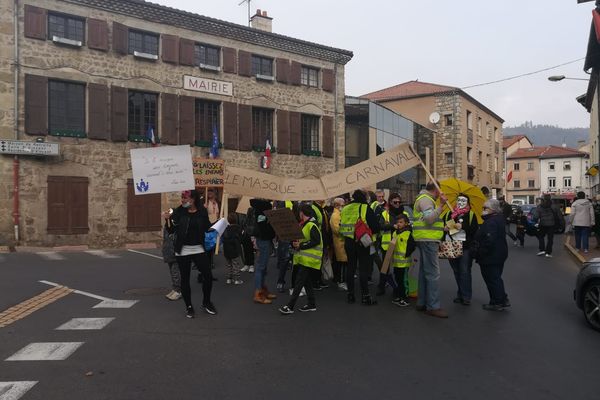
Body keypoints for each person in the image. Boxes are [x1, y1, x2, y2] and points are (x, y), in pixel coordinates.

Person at [163, 190, 216, 318]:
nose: (183, 201)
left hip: (199, 248)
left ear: (193, 200)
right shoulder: (178, 212)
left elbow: (207, 227)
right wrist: (167, 220)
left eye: (185, 198)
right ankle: (189, 307)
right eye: (182, 198)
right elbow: (171, 230)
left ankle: (206, 302)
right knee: (185, 279)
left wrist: (218, 225)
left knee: (208, 276)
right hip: (183, 250)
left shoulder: (202, 211)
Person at [279, 204, 323, 315]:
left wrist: (301, 246)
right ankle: (311, 304)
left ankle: (290, 306)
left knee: (299, 283)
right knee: (306, 282)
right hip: (304, 258)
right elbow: (303, 240)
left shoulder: (311, 225)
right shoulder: (305, 224)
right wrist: (295, 244)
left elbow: (316, 240)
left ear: (302, 213)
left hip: (308, 259)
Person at [412, 182, 448, 318]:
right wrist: (441, 205)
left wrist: (443, 228)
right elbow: (429, 219)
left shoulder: (424, 199)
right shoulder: (426, 200)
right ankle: (433, 306)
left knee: (424, 272)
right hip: (428, 240)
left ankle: (422, 302)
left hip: (425, 239)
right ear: (436, 190)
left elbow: (428, 220)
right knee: (433, 273)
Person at [340, 189, 380, 305]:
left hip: (348, 241)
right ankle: (365, 296)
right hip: (362, 241)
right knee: (363, 268)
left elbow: (341, 224)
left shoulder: (346, 208)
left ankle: (350, 295)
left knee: (351, 267)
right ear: (364, 197)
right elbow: (375, 226)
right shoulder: (365, 207)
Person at [471, 199, 509, 311]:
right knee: (496, 278)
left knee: (492, 279)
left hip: (491, 256)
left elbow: (489, 240)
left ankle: (497, 302)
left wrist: (479, 253)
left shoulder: (491, 222)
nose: (483, 210)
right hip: (498, 254)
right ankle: (501, 299)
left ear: (492, 209)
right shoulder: (497, 219)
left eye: (485, 208)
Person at [441, 194, 479, 306]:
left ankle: (466, 296)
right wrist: (444, 228)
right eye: (459, 200)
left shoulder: (471, 215)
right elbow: (441, 227)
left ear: (468, 203)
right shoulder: (449, 213)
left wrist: (463, 227)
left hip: (465, 247)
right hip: (450, 245)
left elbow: (475, 231)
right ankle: (461, 294)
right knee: (456, 270)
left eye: (464, 201)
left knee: (464, 271)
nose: (461, 203)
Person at [376, 193, 406, 296]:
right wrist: (392, 226)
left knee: (399, 268)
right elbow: (379, 226)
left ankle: (399, 288)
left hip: (401, 245)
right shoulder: (385, 213)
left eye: (399, 202)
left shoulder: (404, 213)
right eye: (395, 202)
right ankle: (381, 286)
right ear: (390, 202)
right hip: (388, 244)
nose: (397, 204)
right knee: (385, 268)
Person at [249, 198, 277, 304]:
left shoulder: (261, 209)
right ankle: (258, 293)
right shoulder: (261, 210)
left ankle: (262, 289)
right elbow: (263, 228)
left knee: (263, 267)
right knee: (261, 267)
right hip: (263, 240)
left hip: (265, 239)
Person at [390, 213, 415, 307]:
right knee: (398, 279)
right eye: (398, 222)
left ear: (406, 223)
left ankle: (405, 298)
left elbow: (412, 245)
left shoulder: (408, 233)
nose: (399, 224)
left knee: (403, 281)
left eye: (401, 222)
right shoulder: (395, 232)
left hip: (404, 262)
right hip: (396, 261)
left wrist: (407, 254)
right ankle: (400, 296)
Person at [275, 200, 296, 292]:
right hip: (288, 234)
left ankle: (283, 283)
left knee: (288, 259)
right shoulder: (286, 202)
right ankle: (284, 283)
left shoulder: (287, 201)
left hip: (289, 234)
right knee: (288, 259)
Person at [330, 197, 348, 291]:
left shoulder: (339, 214)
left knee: (342, 263)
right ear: (337, 205)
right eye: (342, 205)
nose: (344, 206)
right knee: (341, 263)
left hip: (341, 242)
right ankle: (341, 281)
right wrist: (347, 229)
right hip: (340, 242)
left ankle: (341, 280)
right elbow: (337, 230)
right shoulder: (335, 216)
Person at [162, 215, 181, 301]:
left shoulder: (176, 226)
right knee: (172, 272)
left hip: (174, 252)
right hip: (168, 251)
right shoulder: (167, 226)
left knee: (175, 272)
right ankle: (174, 289)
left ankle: (178, 291)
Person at [222, 212, 244, 285]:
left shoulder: (225, 229)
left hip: (226, 249)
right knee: (235, 264)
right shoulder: (238, 228)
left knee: (229, 265)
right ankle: (237, 279)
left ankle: (229, 278)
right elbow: (240, 238)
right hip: (234, 249)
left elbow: (223, 238)